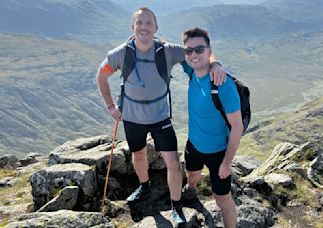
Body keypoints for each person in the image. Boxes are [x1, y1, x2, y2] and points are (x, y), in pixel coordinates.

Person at [95, 7, 226, 224]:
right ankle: (144, 186)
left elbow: (199, 51)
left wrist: (217, 64)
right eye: (139, 23)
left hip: (160, 117)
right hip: (132, 117)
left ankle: (176, 206)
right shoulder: (120, 54)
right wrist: (110, 106)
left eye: (148, 23)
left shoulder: (167, 51)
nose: (144, 27)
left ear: (156, 28)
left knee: (173, 162)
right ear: (132, 27)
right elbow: (101, 76)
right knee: (138, 155)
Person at [181, 27, 243, 228]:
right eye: (189, 50)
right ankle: (191, 189)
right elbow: (161, 45)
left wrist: (227, 163)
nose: (194, 54)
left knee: (222, 199)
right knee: (192, 172)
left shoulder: (222, 84)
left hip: (218, 152)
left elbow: (237, 127)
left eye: (199, 49)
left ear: (209, 51)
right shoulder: (191, 70)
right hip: (194, 143)